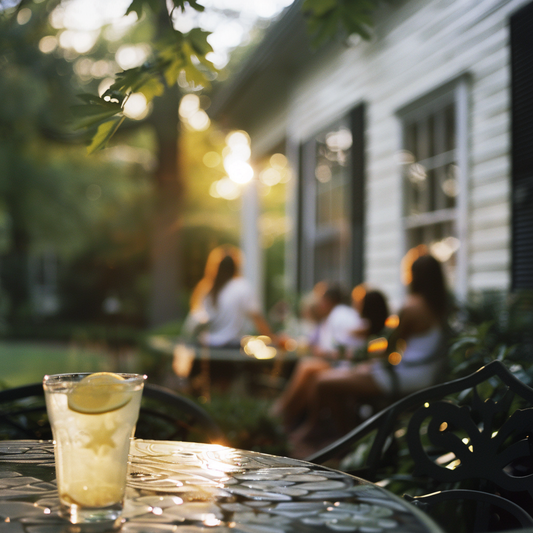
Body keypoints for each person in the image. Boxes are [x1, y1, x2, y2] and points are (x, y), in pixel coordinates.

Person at [288, 253, 449, 456]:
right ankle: (334, 437)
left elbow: (389, 348)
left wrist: (357, 355)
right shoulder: (436, 307)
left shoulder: (412, 307)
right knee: (331, 378)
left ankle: (347, 443)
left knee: (323, 382)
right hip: (416, 373)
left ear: (414, 276)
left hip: (403, 377)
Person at [270, 283, 383, 430]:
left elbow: (345, 349)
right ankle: (286, 418)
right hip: (341, 363)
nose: (317, 303)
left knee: (308, 368)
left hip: (346, 365)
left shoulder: (340, 315)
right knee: (308, 367)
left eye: (319, 299)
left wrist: (322, 352)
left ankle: (282, 417)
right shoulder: (333, 317)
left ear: (327, 301)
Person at [184, 245, 276, 348]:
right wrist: (272, 338)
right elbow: (257, 318)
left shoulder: (206, 289)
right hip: (231, 349)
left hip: (206, 347)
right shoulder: (242, 286)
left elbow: (197, 318)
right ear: (237, 265)